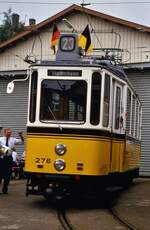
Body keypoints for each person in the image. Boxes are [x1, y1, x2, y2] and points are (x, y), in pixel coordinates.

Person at [0, 128, 24, 194]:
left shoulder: (13, 139)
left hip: (8, 158)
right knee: (0, 174)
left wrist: (21, 135)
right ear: (4, 133)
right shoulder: (1, 139)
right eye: (8, 132)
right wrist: (5, 150)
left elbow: (22, 142)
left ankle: (5, 189)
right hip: (1, 158)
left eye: (10, 132)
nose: (9, 133)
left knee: (7, 175)